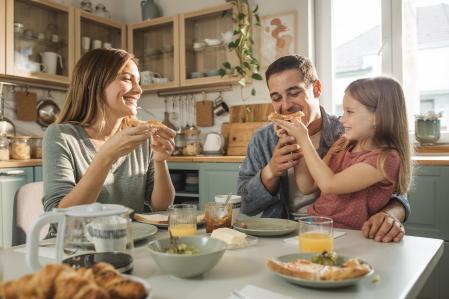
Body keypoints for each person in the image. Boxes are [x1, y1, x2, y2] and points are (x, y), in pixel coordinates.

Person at [238, 55, 410, 242]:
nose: (285, 106)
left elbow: (396, 192)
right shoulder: (263, 139)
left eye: (294, 93)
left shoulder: (349, 133)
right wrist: (270, 171)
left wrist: (391, 215)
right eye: (276, 97)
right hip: (282, 231)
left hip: (345, 234)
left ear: (317, 88)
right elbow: (246, 205)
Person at [42, 48, 176, 227]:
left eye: (139, 81)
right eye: (128, 79)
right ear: (94, 82)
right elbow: (61, 221)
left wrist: (160, 161)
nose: (139, 90)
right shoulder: (61, 136)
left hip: (128, 242)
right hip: (76, 249)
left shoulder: (140, 134)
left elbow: (161, 206)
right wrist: (107, 156)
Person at [273, 77, 412, 230]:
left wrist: (304, 138)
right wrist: (296, 142)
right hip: (316, 227)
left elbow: (328, 184)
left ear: (377, 117)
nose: (341, 119)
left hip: (350, 236)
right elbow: (308, 185)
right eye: (343, 111)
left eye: (350, 112)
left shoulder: (385, 160)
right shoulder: (344, 145)